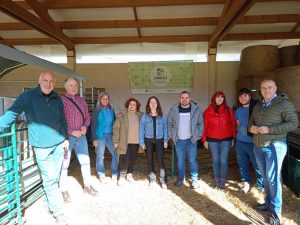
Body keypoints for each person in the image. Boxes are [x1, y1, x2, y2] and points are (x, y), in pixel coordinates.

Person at [0, 71, 69, 225]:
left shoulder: (57, 98)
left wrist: (65, 138)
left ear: (54, 82)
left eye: (51, 81)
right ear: (39, 80)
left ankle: (48, 203)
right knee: (51, 179)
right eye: (45, 80)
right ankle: (59, 213)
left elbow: (62, 119)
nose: (48, 83)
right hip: (42, 147)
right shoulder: (27, 96)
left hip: (58, 145)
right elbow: (11, 114)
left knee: (55, 178)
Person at [249, 79, 298, 225]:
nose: (267, 90)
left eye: (270, 87)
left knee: (273, 178)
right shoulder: (258, 105)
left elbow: (293, 123)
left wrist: (270, 130)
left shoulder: (284, 104)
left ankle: (276, 212)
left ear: (276, 88)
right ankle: (268, 203)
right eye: (263, 88)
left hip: (274, 146)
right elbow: (251, 121)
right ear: (260, 89)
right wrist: (251, 128)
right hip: (258, 146)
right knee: (265, 177)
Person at [59, 77, 97, 202]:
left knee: (85, 161)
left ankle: (87, 186)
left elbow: (87, 117)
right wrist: (70, 131)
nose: (73, 87)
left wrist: (85, 126)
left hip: (81, 136)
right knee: (64, 164)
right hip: (67, 137)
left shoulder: (82, 101)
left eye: (75, 85)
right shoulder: (60, 101)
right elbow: (58, 120)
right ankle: (63, 190)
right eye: (71, 85)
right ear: (65, 86)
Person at [167, 91, 203, 189]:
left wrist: (198, 135)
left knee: (192, 160)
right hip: (179, 140)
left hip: (191, 140)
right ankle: (180, 179)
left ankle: (194, 180)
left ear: (190, 98)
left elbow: (200, 123)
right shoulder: (174, 109)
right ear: (179, 99)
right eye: (182, 97)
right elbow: (169, 123)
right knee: (180, 161)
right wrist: (172, 136)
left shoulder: (196, 109)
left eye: (186, 97)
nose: (184, 99)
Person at [201, 91, 236, 189]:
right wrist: (204, 140)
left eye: (222, 97)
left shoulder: (229, 111)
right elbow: (204, 126)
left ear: (224, 99)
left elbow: (233, 125)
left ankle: (223, 179)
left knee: (223, 160)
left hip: (226, 140)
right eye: (217, 97)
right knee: (215, 160)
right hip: (212, 140)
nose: (220, 99)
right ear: (214, 98)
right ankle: (216, 179)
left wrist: (233, 138)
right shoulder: (208, 111)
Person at [235, 88, 263, 193]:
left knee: (257, 164)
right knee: (242, 163)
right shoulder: (238, 111)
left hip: (253, 142)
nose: (243, 98)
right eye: (241, 96)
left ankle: (261, 185)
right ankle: (245, 182)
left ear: (250, 97)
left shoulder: (256, 109)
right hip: (240, 142)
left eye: (245, 96)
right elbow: (238, 125)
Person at [139, 96, 168, 188]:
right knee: (149, 160)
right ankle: (152, 179)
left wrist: (165, 140)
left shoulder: (162, 116)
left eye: (155, 102)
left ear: (157, 104)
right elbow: (141, 130)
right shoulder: (144, 116)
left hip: (160, 140)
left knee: (160, 160)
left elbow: (165, 129)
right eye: (151, 102)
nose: (153, 104)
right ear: (148, 104)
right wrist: (142, 142)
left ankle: (163, 180)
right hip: (148, 140)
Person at [113, 98, 143, 186]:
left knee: (133, 159)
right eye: (130, 104)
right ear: (127, 105)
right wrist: (115, 141)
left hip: (136, 142)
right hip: (125, 142)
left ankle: (129, 175)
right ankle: (122, 177)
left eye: (134, 105)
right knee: (126, 160)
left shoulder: (141, 115)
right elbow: (116, 128)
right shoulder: (122, 115)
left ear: (137, 106)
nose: (132, 106)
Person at [91, 92, 118, 183]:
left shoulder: (111, 109)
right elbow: (93, 125)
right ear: (100, 100)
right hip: (100, 136)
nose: (105, 101)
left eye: (107, 99)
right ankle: (101, 174)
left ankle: (114, 173)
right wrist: (94, 138)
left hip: (110, 136)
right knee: (100, 156)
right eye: (103, 99)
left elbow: (114, 123)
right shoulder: (97, 110)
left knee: (116, 153)